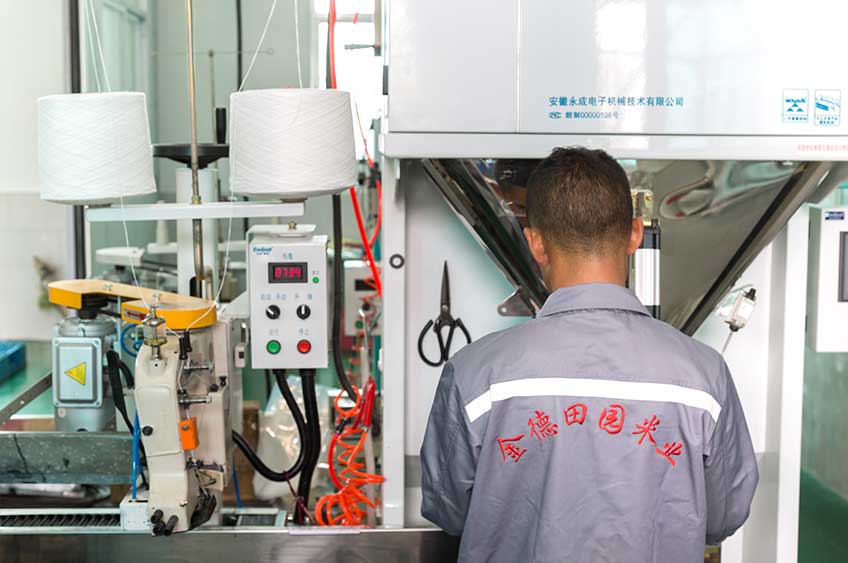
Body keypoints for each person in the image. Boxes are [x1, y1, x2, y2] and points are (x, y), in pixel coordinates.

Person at [420, 147, 758, 563]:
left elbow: (447, 510)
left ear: (535, 243)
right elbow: (723, 516)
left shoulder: (475, 375)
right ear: (635, 234)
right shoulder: (703, 377)